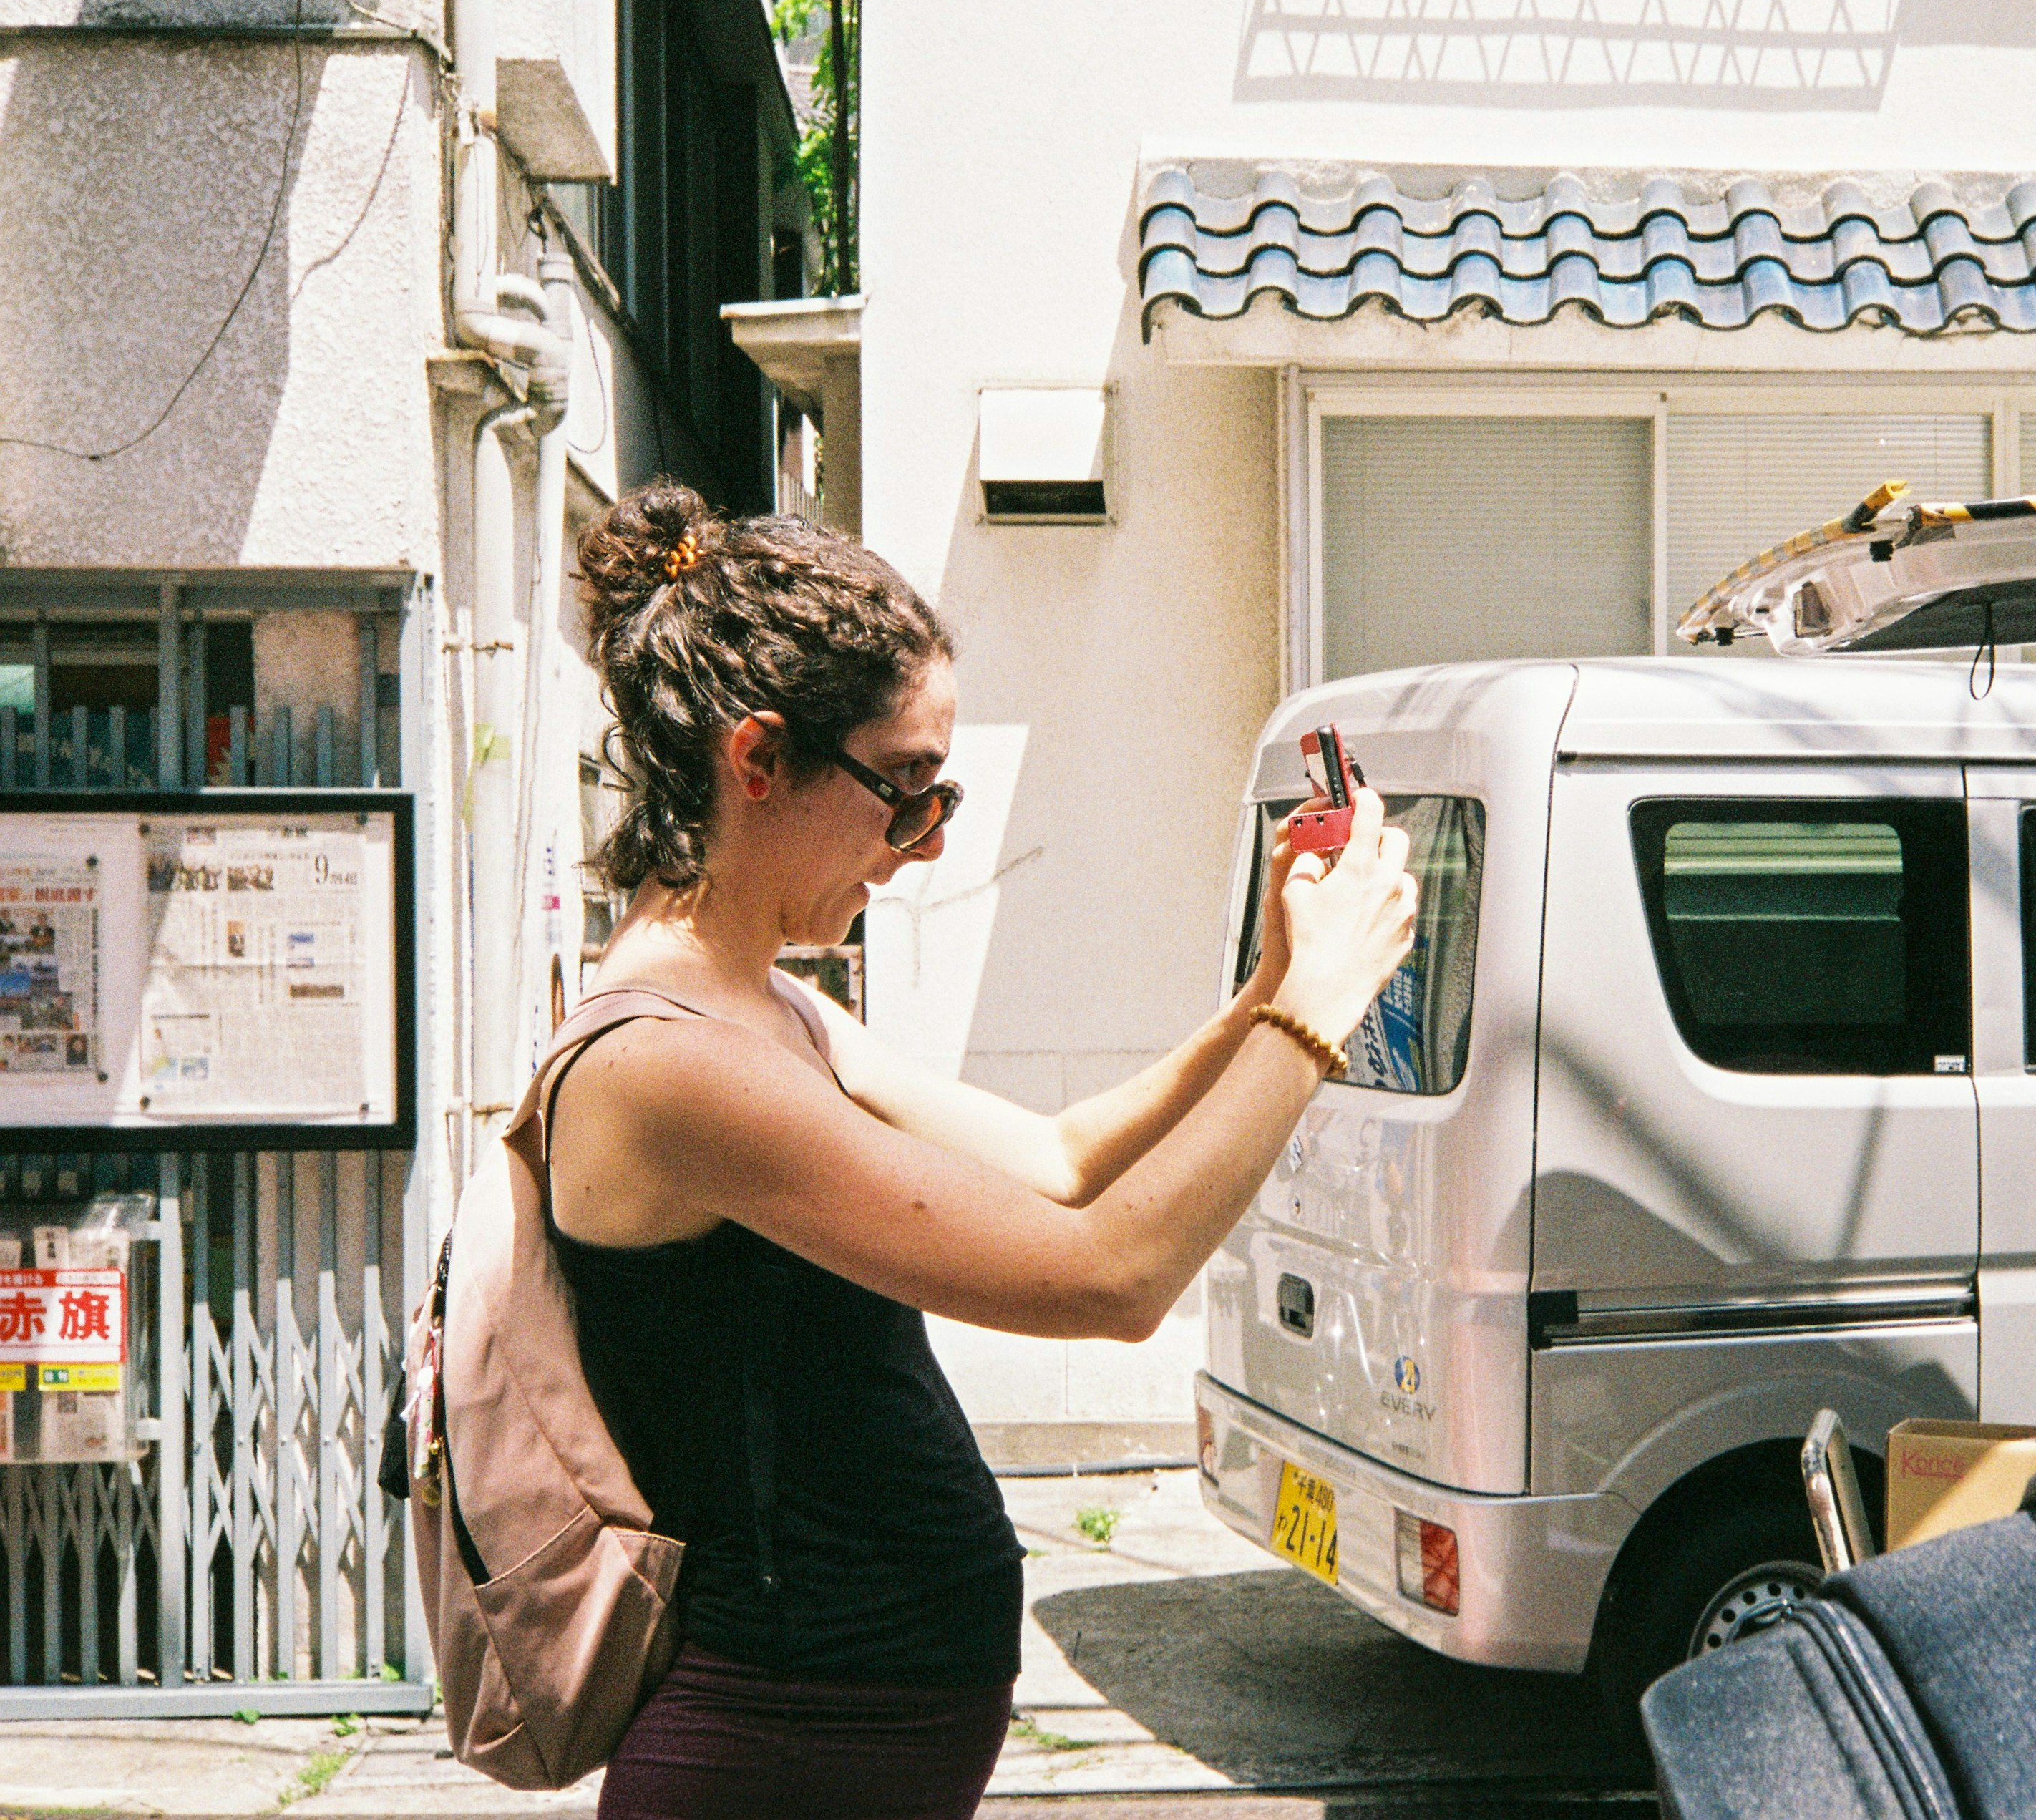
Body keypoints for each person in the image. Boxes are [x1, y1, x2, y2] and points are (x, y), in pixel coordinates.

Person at [545, 481, 1418, 1820]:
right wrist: (1316, 1018)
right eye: (902, 792)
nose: (919, 849)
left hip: (835, 1733)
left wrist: (1269, 992)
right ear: (758, 758)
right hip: (779, 1746)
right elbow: (1106, 1279)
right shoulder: (666, 1069)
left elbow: (1062, 1160)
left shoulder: (768, 1007)